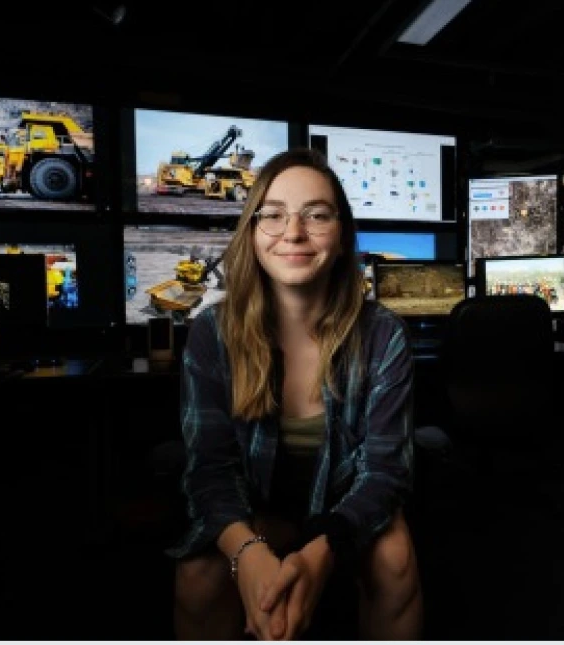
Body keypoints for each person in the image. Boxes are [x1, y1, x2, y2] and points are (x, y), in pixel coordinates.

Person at [169, 147, 424, 641]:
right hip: (256, 507)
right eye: (274, 215)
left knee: (396, 559)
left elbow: (386, 471)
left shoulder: (383, 334)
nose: (293, 233)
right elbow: (210, 469)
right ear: (252, 231)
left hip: (343, 508)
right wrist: (249, 554)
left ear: (343, 231)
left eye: (317, 215)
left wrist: (325, 547)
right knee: (197, 577)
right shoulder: (212, 333)